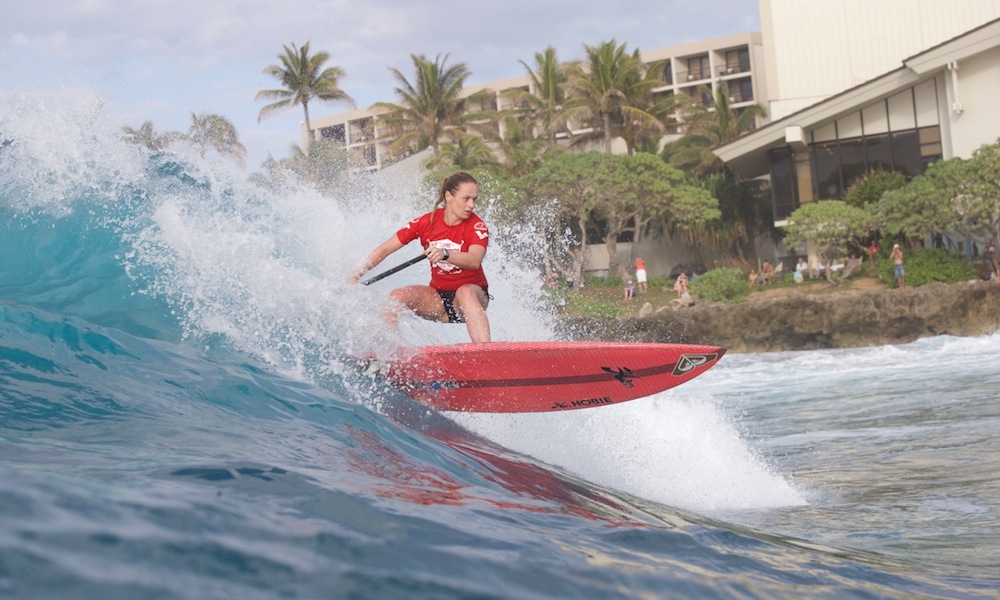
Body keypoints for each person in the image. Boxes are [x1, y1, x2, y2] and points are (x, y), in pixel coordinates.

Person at [350, 172, 492, 343]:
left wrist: (445, 254)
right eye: (466, 198)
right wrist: (356, 276)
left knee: (465, 291)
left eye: (474, 199)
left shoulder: (477, 225)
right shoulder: (426, 222)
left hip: (473, 298)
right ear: (449, 196)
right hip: (438, 300)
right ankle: (392, 354)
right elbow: (385, 248)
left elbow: (474, 260)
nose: (471, 205)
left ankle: (485, 353)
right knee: (396, 296)